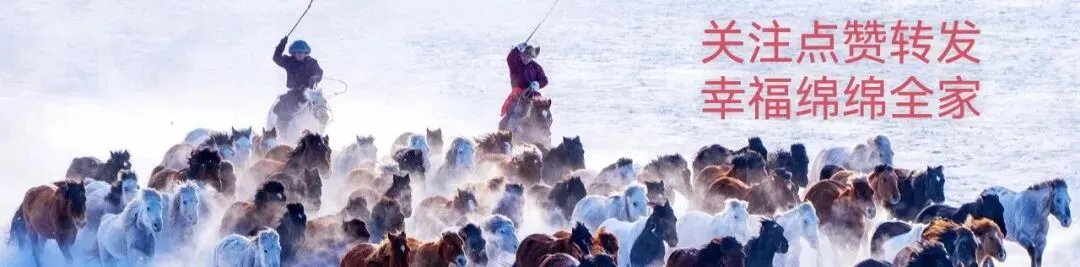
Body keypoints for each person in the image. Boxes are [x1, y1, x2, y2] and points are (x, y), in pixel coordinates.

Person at [272, 36, 323, 132]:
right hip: (295, 93)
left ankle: (322, 128)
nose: (300, 55)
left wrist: (315, 77)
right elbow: (276, 57)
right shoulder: (289, 61)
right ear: (294, 53)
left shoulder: (311, 62)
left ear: (305, 52)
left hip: (310, 91)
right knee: (285, 111)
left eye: (302, 52)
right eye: (297, 52)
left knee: (321, 106)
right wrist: (281, 44)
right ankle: (282, 131)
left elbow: (319, 71)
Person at [500, 42, 548, 130]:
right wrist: (517, 48)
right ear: (521, 55)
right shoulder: (515, 64)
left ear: (532, 57)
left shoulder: (536, 67)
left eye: (529, 57)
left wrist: (537, 84)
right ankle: (511, 129)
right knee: (517, 110)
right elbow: (510, 58)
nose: (526, 58)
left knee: (543, 110)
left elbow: (544, 80)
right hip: (517, 95)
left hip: (533, 95)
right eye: (524, 55)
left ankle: (544, 131)